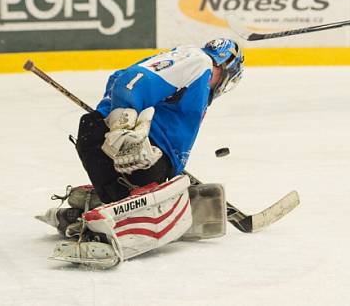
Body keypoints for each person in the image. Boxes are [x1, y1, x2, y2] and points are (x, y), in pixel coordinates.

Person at [36, 38, 244, 267]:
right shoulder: (199, 62)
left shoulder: (188, 64)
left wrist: (112, 115)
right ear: (225, 67)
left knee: (97, 136)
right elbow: (131, 80)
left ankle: (106, 207)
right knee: (121, 152)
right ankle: (118, 219)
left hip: (121, 147)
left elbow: (119, 77)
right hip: (141, 153)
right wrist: (123, 123)